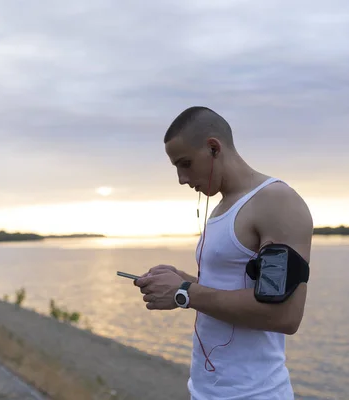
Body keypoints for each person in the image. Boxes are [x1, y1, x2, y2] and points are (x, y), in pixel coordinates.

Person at [134, 106, 313, 399]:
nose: (181, 178)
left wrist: (184, 292)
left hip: (254, 393)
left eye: (185, 163)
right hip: (205, 391)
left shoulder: (275, 202)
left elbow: (283, 314)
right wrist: (180, 280)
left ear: (214, 148)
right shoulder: (222, 207)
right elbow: (232, 289)